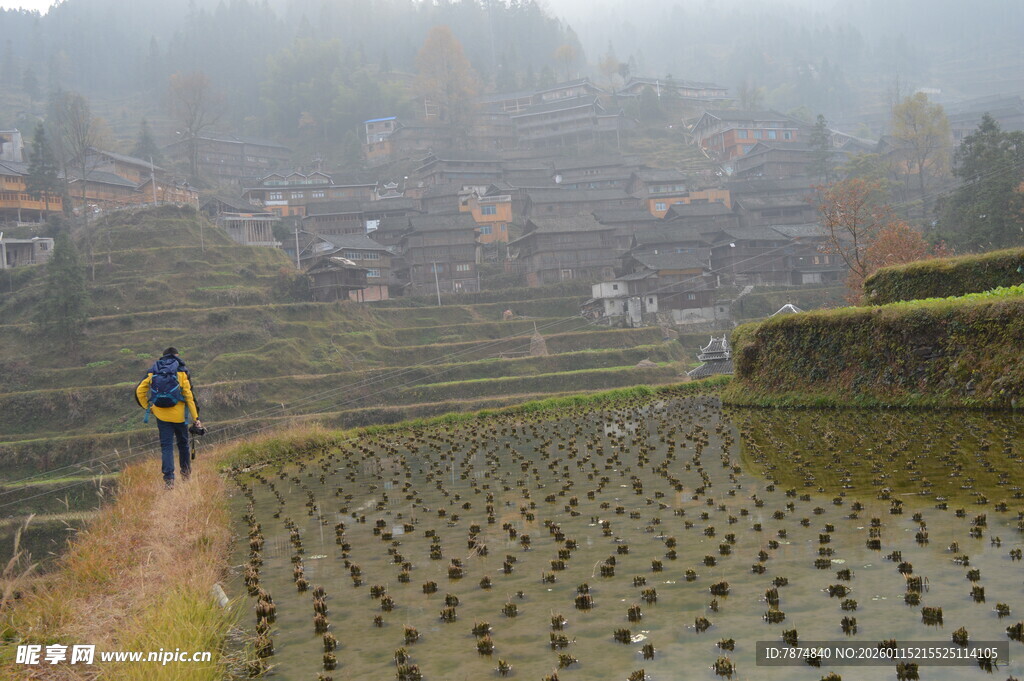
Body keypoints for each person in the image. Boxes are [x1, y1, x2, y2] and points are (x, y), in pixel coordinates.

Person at [135, 347, 202, 489]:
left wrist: (149, 407)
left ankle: (169, 480)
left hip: (161, 415)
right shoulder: (181, 371)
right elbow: (189, 396)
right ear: (176, 356)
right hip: (179, 417)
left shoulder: (154, 370)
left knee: (166, 446)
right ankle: (185, 474)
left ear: (163, 356)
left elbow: (139, 391)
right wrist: (196, 417)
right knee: (183, 444)